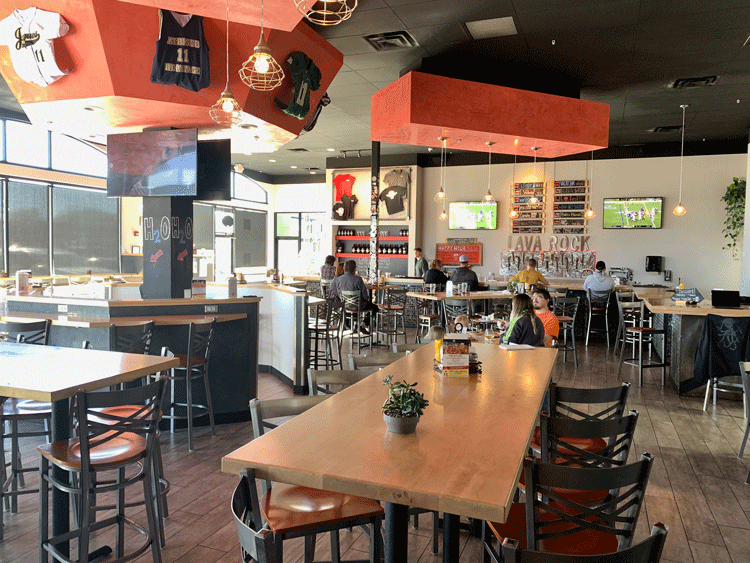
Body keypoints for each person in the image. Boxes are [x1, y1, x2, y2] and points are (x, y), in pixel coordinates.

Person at [328, 260, 378, 332]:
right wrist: (366, 299)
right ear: (354, 269)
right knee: (374, 307)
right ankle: (362, 325)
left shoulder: (339, 279)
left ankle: (355, 324)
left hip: (345, 306)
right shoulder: (358, 279)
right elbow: (365, 295)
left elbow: (339, 294)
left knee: (354, 304)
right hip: (358, 306)